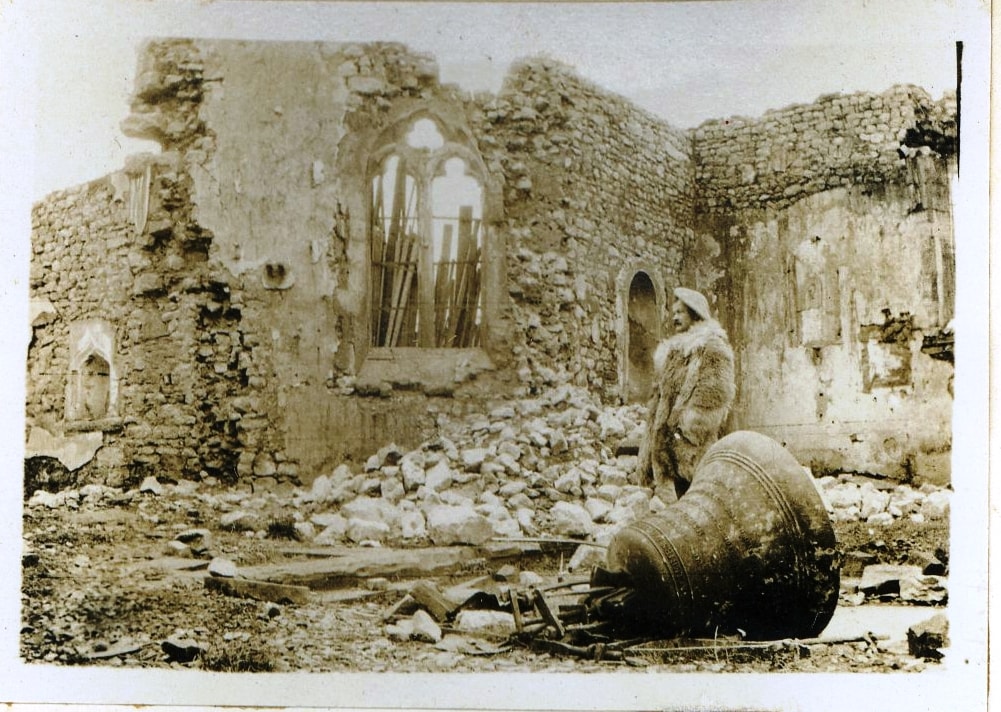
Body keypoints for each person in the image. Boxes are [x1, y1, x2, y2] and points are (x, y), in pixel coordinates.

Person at [636, 287, 735, 499]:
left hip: (691, 444)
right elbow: (659, 397)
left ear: (694, 312)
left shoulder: (711, 346)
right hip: (664, 445)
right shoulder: (672, 351)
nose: (675, 317)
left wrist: (689, 429)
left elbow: (715, 392)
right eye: (673, 313)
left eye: (680, 312)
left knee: (696, 500)